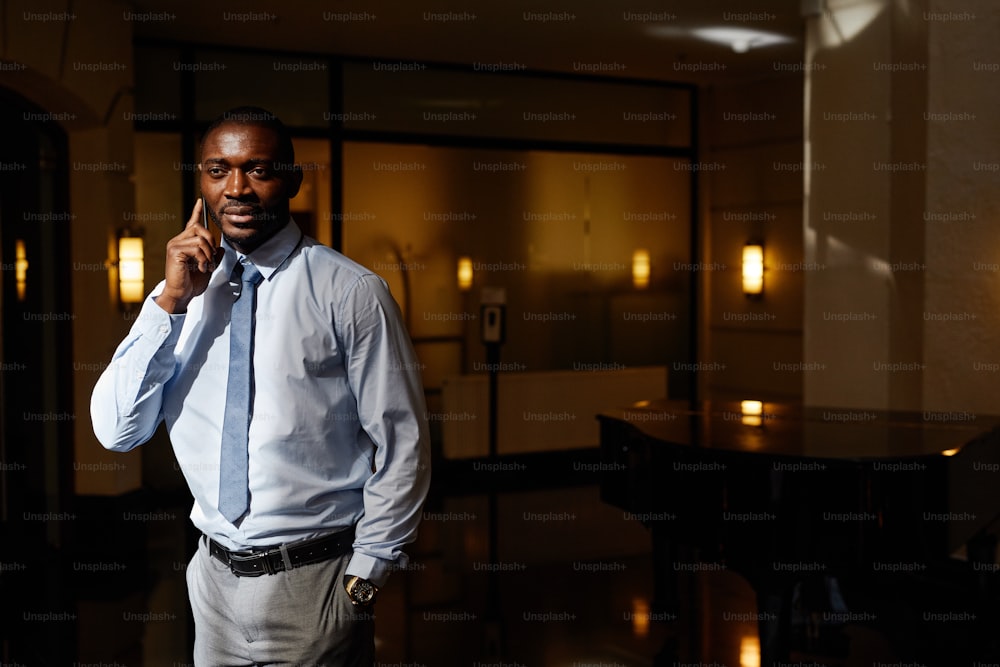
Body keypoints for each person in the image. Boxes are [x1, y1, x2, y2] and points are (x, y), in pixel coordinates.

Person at [91, 106, 431, 666]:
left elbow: (404, 445)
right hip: (211, 582)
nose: (238, 189)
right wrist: (170, 303)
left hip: (318, 583)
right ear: (201, 181)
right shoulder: (179, 298)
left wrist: (363, 580)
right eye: (218, 170)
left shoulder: (350, 292)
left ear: (291, 181)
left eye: (259, 170)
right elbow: (116, 431)